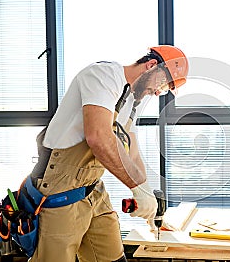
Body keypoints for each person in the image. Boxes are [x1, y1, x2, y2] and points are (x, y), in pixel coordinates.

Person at [28, 45, 189, 262]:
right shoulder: (104, 76)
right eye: (162, 84)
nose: (159, 92)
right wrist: (135, 187)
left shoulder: (131, 101)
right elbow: (98, 137)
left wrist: (148, 200)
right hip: (59, 187)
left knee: (113, 258)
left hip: (92, 187)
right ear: (152, 66)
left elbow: (130, 152)